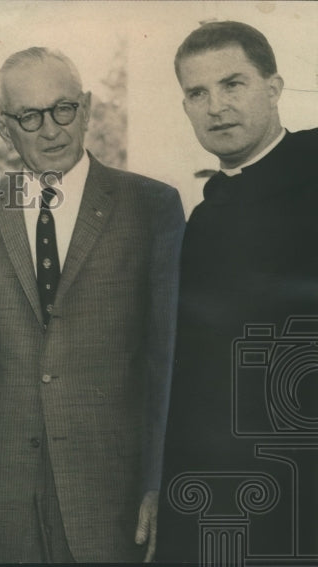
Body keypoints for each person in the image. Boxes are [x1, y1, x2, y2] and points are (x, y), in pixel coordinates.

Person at [0, 47, 185, 563]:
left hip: (111, 498)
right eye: (29, 116)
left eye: (63, 109)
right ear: (2, 128)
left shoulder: (151, 206)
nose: (50, 129)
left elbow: (168, 364)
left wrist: (161, 484)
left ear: (88, 107)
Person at [156, 21, 318, 563]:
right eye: (197, 93)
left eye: (233, 84)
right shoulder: (202, 218)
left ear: (273, 88)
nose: (216, 107)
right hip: (217, 494)